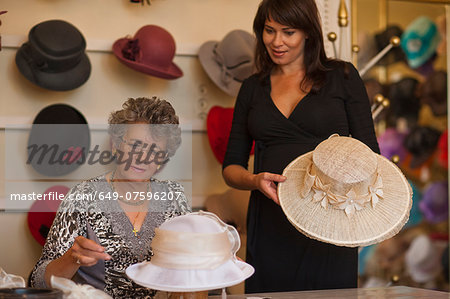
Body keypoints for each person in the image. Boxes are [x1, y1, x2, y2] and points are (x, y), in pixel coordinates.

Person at [222, 0, 379, 293]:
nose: (276, 41)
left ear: (308, 32)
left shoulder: (342, 77)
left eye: (288, 32)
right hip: (270, 223)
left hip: (329, 222)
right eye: (269, 30)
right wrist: (255, 180)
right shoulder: (252, 87)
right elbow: (231, 167)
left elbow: (371, 156)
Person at [30, 97, 191, 298]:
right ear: (116, 145)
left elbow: (189, 272)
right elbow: (37, 281)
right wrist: (72, 259)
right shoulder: (82, 197)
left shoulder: (175, 197)